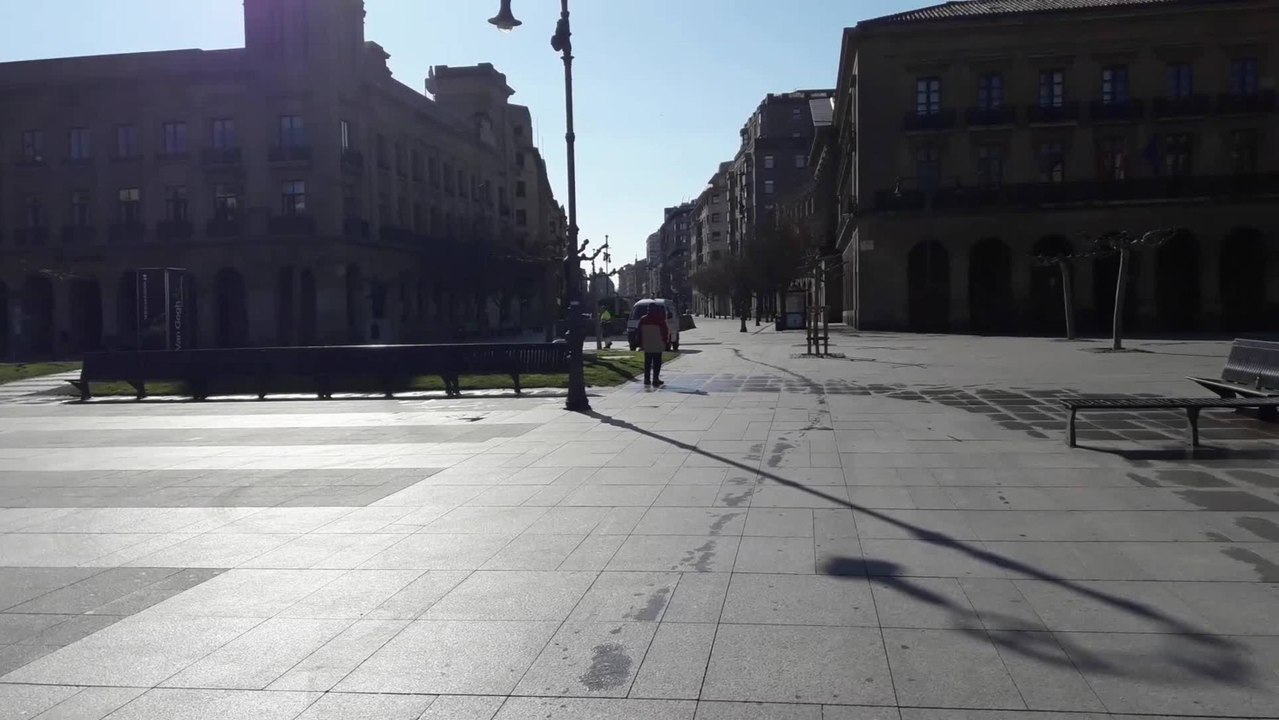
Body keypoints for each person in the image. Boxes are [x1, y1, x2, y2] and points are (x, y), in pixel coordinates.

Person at [638, 304, 669, 387]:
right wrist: (665, 342)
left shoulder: (643, 319)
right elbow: (664, 332)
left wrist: (640, 344)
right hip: (657, 343)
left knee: (647, 362)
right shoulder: (660, 319)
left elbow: (639, 332)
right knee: (657, 362)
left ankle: (646, 379)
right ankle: (655, 379)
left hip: (647, 344)